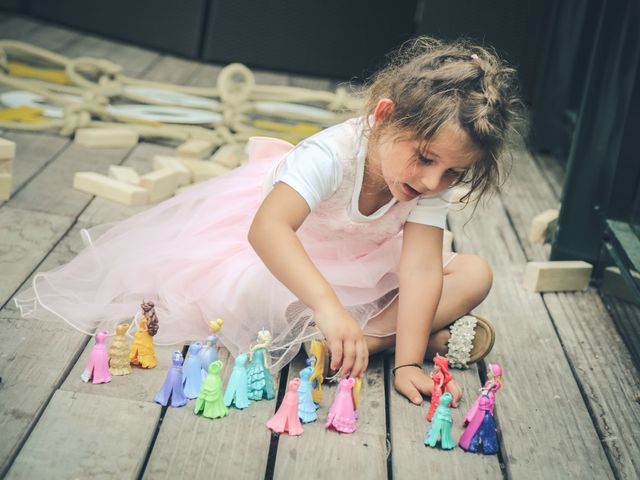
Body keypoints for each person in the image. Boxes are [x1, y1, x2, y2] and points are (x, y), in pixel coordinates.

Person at [14, 36, 523, 405]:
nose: (433, 182)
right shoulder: (333, 154)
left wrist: (409, 365)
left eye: (454, 174)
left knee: (473, 271)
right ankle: (362, 335)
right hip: (279, 256)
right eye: (425, 158)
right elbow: (267, 231)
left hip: (365, 263)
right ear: (385, 116)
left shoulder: (428, 183)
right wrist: (326, 304)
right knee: (259, 295)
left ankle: (373, 346)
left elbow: (419, 271)